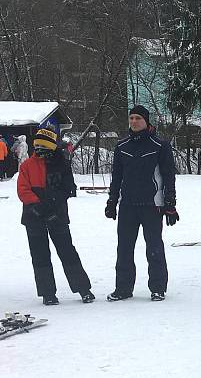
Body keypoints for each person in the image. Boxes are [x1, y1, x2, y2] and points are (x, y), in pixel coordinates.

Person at [105, 105, 178, 302]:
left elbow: (168, 176)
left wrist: (170, 204)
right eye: (131, 118)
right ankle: (123, 288)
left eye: (138, 118)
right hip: (128, 205)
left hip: (152, 205)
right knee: (124, 248)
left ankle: (157, 288)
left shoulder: (160, 146)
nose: (134, 121)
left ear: (147, 121)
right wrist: (112, 201)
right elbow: (117, 177)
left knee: (154, 247)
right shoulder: (122, 146)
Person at [17, 128, 93, 305]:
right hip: (33, 217)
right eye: (37, 146)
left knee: (67, 252)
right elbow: (23, 190)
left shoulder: (62, 163)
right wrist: (38, 206)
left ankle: (83, 289)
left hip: (57, 215)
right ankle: (47, 293)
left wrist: (50, 205)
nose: (39, 149)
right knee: (40, 255)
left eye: (43, 146)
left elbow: (68, 189)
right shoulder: (26, 165)